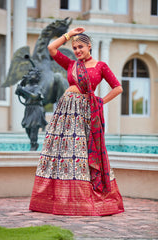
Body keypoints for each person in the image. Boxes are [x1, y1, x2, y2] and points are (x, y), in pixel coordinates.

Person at [29, 27, 124, 216]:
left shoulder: (100, 66)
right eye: (74, 47)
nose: (78, 50)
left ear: (89, 46)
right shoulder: (72, 64)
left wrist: (99, 102)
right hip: (64, 113)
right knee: (60, 153)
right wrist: (69, 34)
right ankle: (57, 199)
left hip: (84, 114)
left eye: (81, 46)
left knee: (79, 156)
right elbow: (51, 48)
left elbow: (118, 88)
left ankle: (80, 199)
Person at [15, 67, 47, 151]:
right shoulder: (27, 87)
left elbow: (35, 96)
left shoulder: (38, 87)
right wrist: (23, 82)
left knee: (33, 128)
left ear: (37, 77)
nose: (30, 76)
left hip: (36, 109)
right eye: (29, 74)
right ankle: (34, 143)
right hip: (28, 109)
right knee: (27, 128)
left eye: (32, 74)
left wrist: (23, 90)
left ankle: (33, 145)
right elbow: (17, 92)